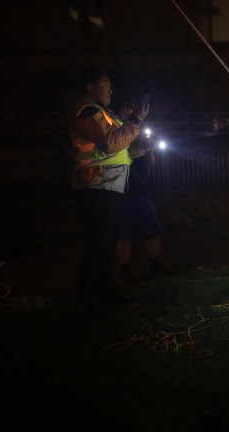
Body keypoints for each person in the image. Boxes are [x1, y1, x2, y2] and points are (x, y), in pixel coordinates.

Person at [70, 70, 149, 312]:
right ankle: (88, 298)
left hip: (108, 186)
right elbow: (111, 143)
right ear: (90, 87)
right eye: (106, 86)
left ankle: (105, 291)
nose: (111, 91)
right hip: (95, 187)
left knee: (107, 244)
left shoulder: (102, 113)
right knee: (99, 244)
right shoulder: (87, 111)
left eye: (111, 86)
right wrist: (135, 121)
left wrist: (139, 149)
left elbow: (118, 148)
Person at [115, 126, 173, 283]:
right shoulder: (119, 136)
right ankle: (125, 270)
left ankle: (154, 266)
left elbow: (151, 165)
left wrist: (150, 150)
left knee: (153, 229)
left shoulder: (143, 142)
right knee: (123, 233)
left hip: (140, 191)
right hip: (122, 192)